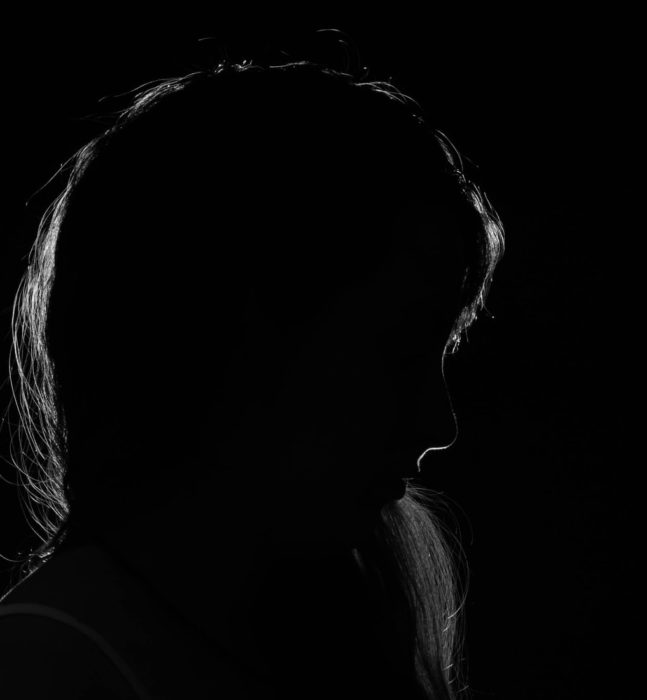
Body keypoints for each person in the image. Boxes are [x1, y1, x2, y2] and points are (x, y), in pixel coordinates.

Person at [0, 41, 504, 699]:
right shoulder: (46, 667)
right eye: (397, 349)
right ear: (229, 334)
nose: (439, 423)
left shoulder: (327, 646)